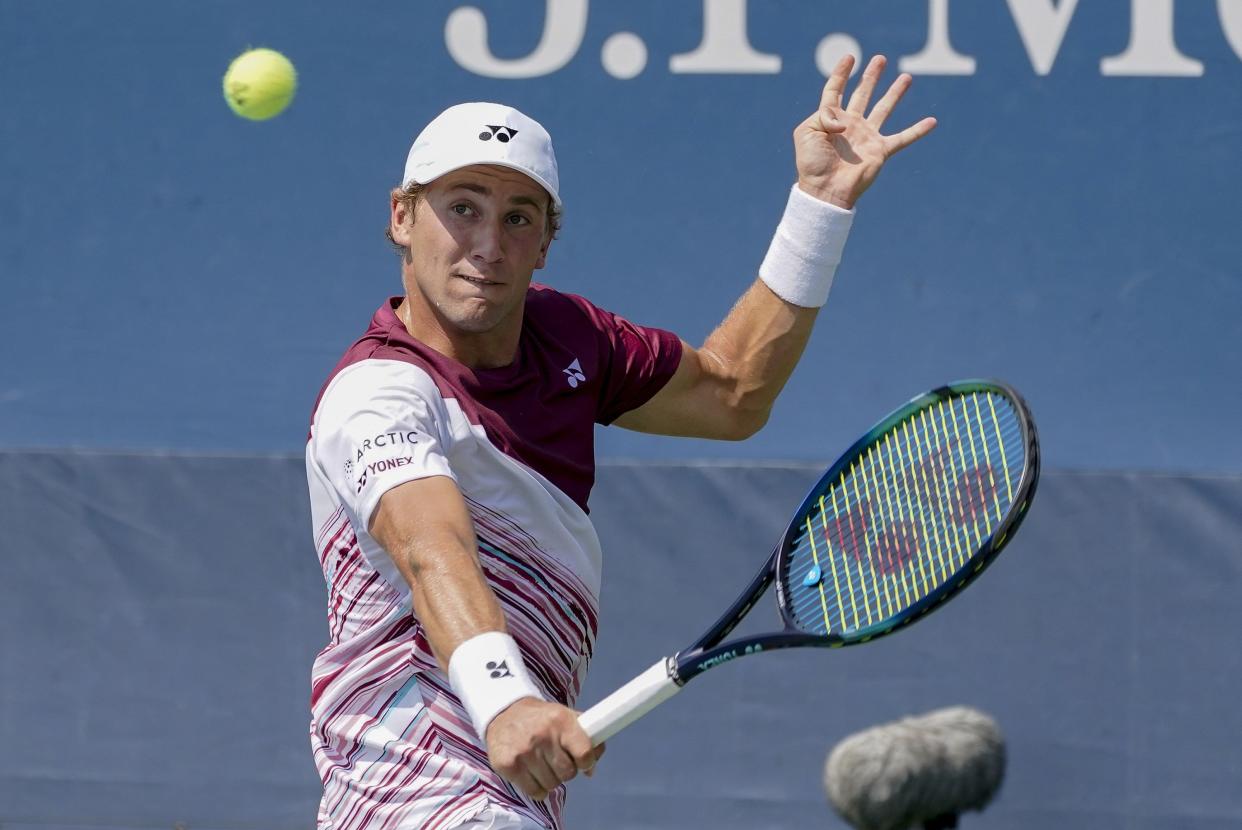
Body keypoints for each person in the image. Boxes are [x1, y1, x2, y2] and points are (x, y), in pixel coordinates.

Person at [304, 54, 935, 830]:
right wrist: (505, 703)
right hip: (422, 787)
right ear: (402, 216)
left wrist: (820, 204)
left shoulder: (571, 338)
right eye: (460, 208)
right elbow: (432, 548)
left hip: (499, 792)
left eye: (517, 217)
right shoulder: (377, 392)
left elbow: (733, 394)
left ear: (546, 243)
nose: (488, 245)